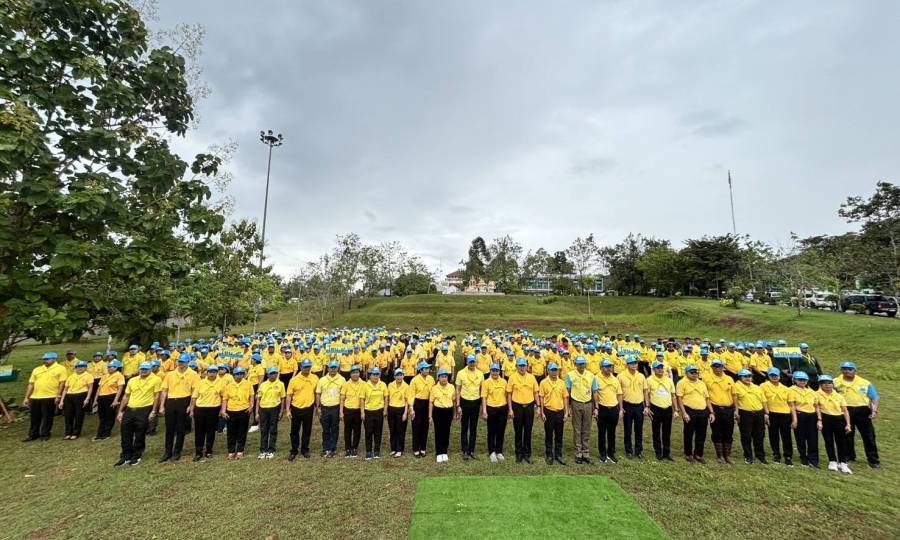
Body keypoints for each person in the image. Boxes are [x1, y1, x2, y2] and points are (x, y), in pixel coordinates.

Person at [114, 361, 162, 466]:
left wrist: (153, 411)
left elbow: (156, 396)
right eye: (142, 369)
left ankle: (136, 455)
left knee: (140, 434)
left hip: (144, 409)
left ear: (150, 369)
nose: (143, 371)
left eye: (146, 369)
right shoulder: (132, 380)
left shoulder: (156, 380)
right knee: (125, 433)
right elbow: (126, 396)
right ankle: (125, 455)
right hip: (130, 409)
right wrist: (120, 411)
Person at [834, 361, 880, 468]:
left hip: (862, 411)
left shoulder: (865, 382)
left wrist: (874, 410)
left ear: (855, 370)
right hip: (845, 410)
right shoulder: (835, 382)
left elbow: (874, 397)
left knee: (868, 436)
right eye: (844, 369)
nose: (847, 371)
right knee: (847, 434)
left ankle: (873, 459)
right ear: (841, 370)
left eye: (850, 369)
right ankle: (848, 455)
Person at [158, 354, 199, 462]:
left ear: (187, 362)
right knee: (169, 428)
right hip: (171, 401)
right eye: (179, 361)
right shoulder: (170, 374)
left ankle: (177, 452)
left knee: (181, 428)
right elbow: (164, 390)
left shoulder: (193, 374)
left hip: (184, 400)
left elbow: (195, 391)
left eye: (183, 362)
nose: (180, 364)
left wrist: (191, 406)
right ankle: (167, 452)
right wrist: (162, 405)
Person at [22, 352, 67, 442]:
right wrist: (27, 397)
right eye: (44, 359)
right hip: (35, 397)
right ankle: (33, 435)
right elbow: (31, 384)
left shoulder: (61, 369)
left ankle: (45, 434)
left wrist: (58, 395)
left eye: (47, 359)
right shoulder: (37, 369)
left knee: (47, 416)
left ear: (54, 359)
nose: (44, 361)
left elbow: (62, 383)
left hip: (50, 396)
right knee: (34, 417)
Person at [676, 365, 714, 463]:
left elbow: (707, 398)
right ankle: (688, 454)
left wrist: (711, 412)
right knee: (688, 433)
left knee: (701, 434)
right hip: (689, 410)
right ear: (686, 373)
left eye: (696, 372)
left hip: (702, 411)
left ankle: (698, 454)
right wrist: (684, 413)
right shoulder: (681, 383)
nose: (694, 374)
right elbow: (679, 398)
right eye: (692, 372)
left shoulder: (701, 383)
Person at [816, 374, 853, 474]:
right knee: (828, 440)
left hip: (838, 419)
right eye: (824, 384)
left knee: (841, 441)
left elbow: (845, 411)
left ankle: (843, 462)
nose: (827, 385)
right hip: (826, 417)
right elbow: (817, 407)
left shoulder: (838, 396)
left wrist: (848, 424)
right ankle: (832, 461)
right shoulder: (817, 395)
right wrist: (819, 420)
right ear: (820, 385)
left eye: (829, 383)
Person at [507, 357, 540, 464]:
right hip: (517, 407)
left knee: (528, 430)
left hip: (529, 406)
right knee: (518, 430)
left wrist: (538, 406)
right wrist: (510, 409)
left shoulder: (531, 377)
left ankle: (527, 453)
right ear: (516, 366)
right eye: (520, 366)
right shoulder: (512, 378)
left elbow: (536, 393)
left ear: (527, 366)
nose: (522, 368)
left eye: (524, 365)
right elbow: (509, 394)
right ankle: (518, 453)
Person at [566, 355, 598, 464]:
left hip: (588, 404)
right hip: (576, 403)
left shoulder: (591, 375)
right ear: (575, 364)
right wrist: (568, 407)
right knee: (577, 428)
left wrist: (596, 407)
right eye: (579, 364)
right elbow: (568, 392)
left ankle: (586, 452)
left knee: (586, 428)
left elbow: (594, 392)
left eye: (583, 363)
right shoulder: (570, 375)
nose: (581, 366)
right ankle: (578, 452)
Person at [285, 359, 319, 461]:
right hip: (296, 408)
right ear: (301, 367)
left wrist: (318, 407)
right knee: (294, 430)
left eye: (308, 366)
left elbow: (317, 393)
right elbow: (289, 396)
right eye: (305, 367)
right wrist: (288, 410)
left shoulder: (315, 378)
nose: (307, 369)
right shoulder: (294, 380)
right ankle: (294, 450)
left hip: (309, 408)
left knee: (307, 430)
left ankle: (305, 449)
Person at [190, 366, 224, 461]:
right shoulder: (200, 383)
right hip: (200, 408)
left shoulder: (221, 383)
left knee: (210, 431)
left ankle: (209, 451)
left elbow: (223, 397)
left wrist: (222, 409)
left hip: (213, 409)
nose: (212, 373)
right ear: (207, 373)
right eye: (210, 372)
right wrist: (192, 409)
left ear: (217, 373)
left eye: (214, 372)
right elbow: (194, 397)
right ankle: (198, 452)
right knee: (199, 431)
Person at [733, 369, 767, 464]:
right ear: (740, 377)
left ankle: (760, 455)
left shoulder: (757, 387)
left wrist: (766, 413)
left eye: (749, 376)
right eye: (745, 376)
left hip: (758, 412)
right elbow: (735, 400)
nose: (748, 378)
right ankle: (748, 456)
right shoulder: (736, 386)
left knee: (759, 435)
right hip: (745, 413)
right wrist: (736, 411)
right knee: (746, 435)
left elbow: (763, 401)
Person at [761, 367, 793, 465]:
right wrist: (765, 413)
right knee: (773, 434)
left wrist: (793, 417)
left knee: (786, 435)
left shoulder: (785, 388)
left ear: (779, 376)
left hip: (785, 413)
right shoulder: (763, 386)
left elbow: (791, 404)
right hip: (772, 413)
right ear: (768, 376)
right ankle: (776, 454)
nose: (774, 377)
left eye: (776, 375)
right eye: (772, 375)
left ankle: (788, 456)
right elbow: (763, 401)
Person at [706, 359, 735, 464]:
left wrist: (735, 409)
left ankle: (727, 455)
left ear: (723, 367)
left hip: (728, 409)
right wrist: (710, 411)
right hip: (715, 408)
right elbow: (706, 396)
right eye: (715, 366)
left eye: (719, 366)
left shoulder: (729, 379)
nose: (717, 368)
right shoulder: (707, 378)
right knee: (717, 431)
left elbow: (734, 395)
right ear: (712, 367)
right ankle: (720, 456)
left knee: (729, 431)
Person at [646, 360, 676, 461]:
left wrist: (675, 409)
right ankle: (658, 452)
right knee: (656, 431)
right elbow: (646, 394)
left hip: (667, 408)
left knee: (667, 432)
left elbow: (673, 395)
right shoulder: (649, 380)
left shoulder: (669, 380)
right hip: (655, 408)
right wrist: (647, 406)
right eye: (658, 368)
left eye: (661, 368)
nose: (660, 370)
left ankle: (667, 453)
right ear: (653, 369)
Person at [222, 366, 254, 460]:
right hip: (231, 411)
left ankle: (240, 451)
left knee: (242, 431)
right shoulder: (229, 385)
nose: (240, 376)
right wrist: (223, 411)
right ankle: (231, 451)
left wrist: (251, 406)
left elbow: (251, 395)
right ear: (233, 375)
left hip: (244, 410)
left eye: (241, 374)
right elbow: (225, 399)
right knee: (231, 432)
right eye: (237, 374)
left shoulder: (248, 384)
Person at [618, 356, 648, 459]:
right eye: (632, 363)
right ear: (627, 365)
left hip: (639, 405)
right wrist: (620, 408)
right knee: (628, 429)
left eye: (635, 363)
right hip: (627, 405)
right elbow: (619, 393)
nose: (634, 365)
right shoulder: (621, 376)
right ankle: (629, 450)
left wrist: (646, 406)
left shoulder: (641, 376)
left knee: (639, 429)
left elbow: (645, 391)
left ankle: (639, 451)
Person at [539, 362, 569, 464]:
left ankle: (558, 454)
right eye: (552, 370)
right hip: (548, 411)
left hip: (559, 411)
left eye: (556, 370)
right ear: (548, 371)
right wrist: (542, 412)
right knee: (549, 434)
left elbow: (565, 397)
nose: (554, 372)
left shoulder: (562, 382)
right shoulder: (543, 382)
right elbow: (541, 398)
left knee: (559, 434)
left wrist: (566, 412)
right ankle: (549, 454)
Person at [788, 371, 818, 467]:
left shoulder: (812, 391)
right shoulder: (791, 390)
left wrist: (819, 419)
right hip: (800, 414)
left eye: (804, 380)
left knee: (812, 438)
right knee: (800, 437)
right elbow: (792, 406)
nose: (802, 381)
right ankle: (803, 457)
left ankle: (813, 459)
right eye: (800, 379)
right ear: (795, 380)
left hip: (812, 416)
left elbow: (816, 406)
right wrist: (795, 419)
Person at [455, 354, 483, 459]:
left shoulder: (480, 374)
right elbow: (457, 389)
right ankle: (465, 450)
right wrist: (458, 405)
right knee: (464, 426)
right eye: (470, 362)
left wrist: (480, 404)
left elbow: (481, 390)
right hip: (464, 401)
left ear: (476, 362)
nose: (472, 364)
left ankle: (472, 449)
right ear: (467, 362)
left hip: (475, 402)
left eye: (473, 362)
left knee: (474, 427)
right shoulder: (461, 373)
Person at [316, 360, 345, 458]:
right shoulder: (322, 380)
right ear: (328, 368)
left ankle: (333, 448)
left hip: (335, 407)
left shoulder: (342, 379)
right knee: (325, 429)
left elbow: (343, 395)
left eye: (335, 367)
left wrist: (341, 410)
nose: (333, 369)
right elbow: (318, 394)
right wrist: (318, 407)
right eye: (331, 367)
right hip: (324, 407)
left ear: (337, 368)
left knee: (335, 428)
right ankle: (325, 448)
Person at [596, 359, 623, 463]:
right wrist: (596, 408)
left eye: (610, 366)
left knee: (612, 432)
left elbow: (619, 394)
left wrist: (620, 409)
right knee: (602, 432)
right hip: (602, 408)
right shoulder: (596, 378)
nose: (609, 368)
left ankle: (611, 453)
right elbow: (595, 395)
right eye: (606, 366)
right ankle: (602, 453)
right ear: (601, 367)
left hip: (614, 409)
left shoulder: (615, 379)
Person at [256, 367, 286, 459]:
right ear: (267, 374)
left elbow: (282, 398)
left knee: (273, 429)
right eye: (271, 373)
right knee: (264, 429)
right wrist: (257, 412)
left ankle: (271, 449)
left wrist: (281, 411)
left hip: (274, 408)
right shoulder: (263, 384)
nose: (273, 375)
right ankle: (263, 449)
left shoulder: (280, 384)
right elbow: (258, 399)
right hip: (263, 408)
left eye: (275, 373)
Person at [481, 363, 508, 462]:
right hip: (491, 408)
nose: (495, 372)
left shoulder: (504, 382)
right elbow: (484, 397)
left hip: (502, 408)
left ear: (499, 371)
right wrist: (484, 411)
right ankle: (492, 451)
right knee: (491, 431)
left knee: (501, 430)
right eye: (493, 370)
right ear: (490, 371)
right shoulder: (486, 382)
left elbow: (506, 396)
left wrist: (509, 409)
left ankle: (499, 451)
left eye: (496, 370)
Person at [59, 361, 94, 439]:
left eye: (82, 366)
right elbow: (65, 389)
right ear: (75, 368)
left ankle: (76, 433)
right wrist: (62, 400)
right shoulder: (71, 376)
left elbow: (90, 388)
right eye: (78, 367)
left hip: (81, 395)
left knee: (79, 415)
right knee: (68, 415)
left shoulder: (88, 376)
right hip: (69, 396)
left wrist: (87, 398)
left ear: (85, 367)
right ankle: (68, 433)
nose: (80, 368)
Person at [93, 360, 125, 441]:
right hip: (101, 397)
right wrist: (95, 400)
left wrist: (115, 400)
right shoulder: (104, 376)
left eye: (112, 367)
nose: (110, 368)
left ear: (117, 368)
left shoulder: (119, 376)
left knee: (109, 416)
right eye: (109, 367)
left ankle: (106, 433)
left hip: (111, 396)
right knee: (102, 416)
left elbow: (120, 389)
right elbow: (99, 388)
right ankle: (99, 433)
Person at [361, 367, 388, 459]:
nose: (375, 376)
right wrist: (362, 412)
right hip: (368, 411)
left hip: (379, 411)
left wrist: (385, 410)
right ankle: (368, 451)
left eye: (377, 374)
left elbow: (386, 398)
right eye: (373, 374)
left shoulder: (383, 385)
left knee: (378, 432)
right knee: (368, 432)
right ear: (370, 375)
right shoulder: (365, 385)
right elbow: (362, 399)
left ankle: (377, 450)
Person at [429, 368, 456, 462]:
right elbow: (431, 402)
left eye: (445, 377)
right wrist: (430, 416)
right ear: (438, 378)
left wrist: (455, 413)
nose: (444, 378)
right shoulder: (434, 388)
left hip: (448, 411)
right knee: (438, 431)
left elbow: (454, 400)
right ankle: (439, 452)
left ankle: (444, 451)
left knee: (446, 431)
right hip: (438, 411)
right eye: (442, 377)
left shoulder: (452, 387)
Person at [409, 362, 435, 458]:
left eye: (428, 368)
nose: (428, 370)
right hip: (417, 404)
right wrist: (411, 408)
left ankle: (423, 448)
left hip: (427, 403)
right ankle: (416, 448)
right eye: (425, 369)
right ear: (421, 370)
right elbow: (411, 395)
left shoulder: (431, 379)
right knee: (416, 426)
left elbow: (433, 392)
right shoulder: (414, 380)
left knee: (425, 426)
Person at [340, 365, 365, 458]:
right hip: (348, 410)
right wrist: (341, 412)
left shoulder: (364, 384)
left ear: (359, 373)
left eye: (357, 372)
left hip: (358, 410)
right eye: (353, 373)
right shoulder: (346, 384)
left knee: (357, 430)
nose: (355, 374)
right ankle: (348, 448)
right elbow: (342, 399)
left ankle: (354, 448)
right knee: (348, 430)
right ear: (350, 374)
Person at [387, 368, 410, 457]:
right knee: (392, 430)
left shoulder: (406, 386)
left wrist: (405, 413)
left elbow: (407, 401)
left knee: (401, 431)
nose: (399, 377)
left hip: (401, 409)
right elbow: (388, 398)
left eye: (401, 375)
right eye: (397, 375)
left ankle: (399, 449)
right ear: (394, 376)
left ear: (403, 376)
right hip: (392, 409)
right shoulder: (390, 385)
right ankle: (393, 448)